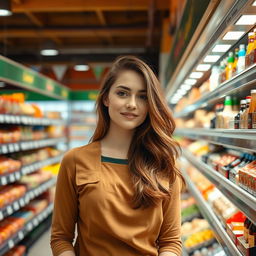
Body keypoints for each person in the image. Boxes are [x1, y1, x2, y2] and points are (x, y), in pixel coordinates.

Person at [50, 55, 184, 256]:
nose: (132, 104)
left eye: (142, 96)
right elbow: (61, 238)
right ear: (106, 98)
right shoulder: (75, 161)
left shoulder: (163, 162)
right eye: (122, 93)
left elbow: (171, 242)